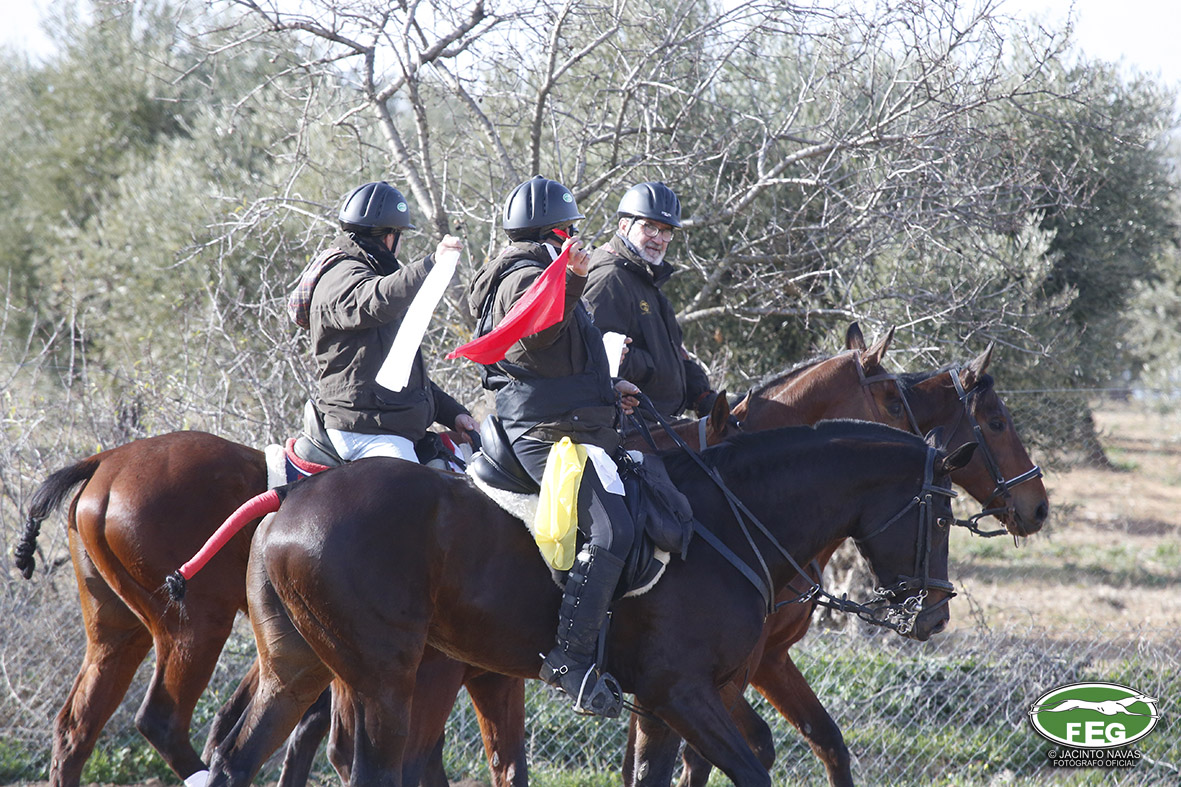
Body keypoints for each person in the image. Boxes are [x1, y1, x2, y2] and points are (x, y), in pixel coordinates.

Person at [466, 175, 639, 717]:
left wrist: (610, 386)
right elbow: (537, 335)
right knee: (612, 530)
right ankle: (570, 660)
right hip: (545, 432)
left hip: (571, 420)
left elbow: (557, 359)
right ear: (553, 232)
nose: (575, 240)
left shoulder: (544, 273)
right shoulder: (524, 276)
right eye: (569, 231)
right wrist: (573, 282)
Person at [289, 180, 478, 462]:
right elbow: (376, 299)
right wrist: (430, 264)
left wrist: (454, 414)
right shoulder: (342, 276)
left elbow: (402, 376)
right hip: (366, 430)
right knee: (413, 488)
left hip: (383, 425)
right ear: (390, 238)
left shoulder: (364, 272)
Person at [583, 181, 716, 421]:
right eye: (650, 227)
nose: (659, 239)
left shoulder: (645, 281)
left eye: (666, 231)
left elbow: (672, 355)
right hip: (628, 425)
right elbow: (591, 354)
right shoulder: (610, 278)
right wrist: (649, 366)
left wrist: (702, 395)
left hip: (661, 421)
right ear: (624, 226)